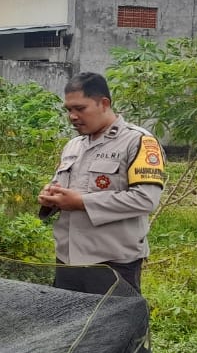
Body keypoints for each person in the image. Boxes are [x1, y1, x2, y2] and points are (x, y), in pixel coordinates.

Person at [37, 71, 165, 290]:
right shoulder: (74, 146)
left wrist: (81, 202)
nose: (72, 116)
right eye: (69, 110)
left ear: (104, 103)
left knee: (112, 314)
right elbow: (61, 188)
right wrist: (50, 198)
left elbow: (145, 199)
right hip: (67, 259)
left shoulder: (138, 141)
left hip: (111, 263)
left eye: (80, 108)